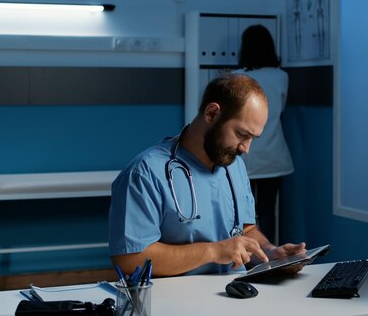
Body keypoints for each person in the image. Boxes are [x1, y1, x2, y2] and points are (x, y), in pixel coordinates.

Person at [109, 73, 306, 277]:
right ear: (212, 113)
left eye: (253, 138)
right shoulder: (145, 174)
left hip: (235, 295)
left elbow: (246, 231)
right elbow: (129, 259)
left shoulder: (233, 164)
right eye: (241, 134)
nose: (246, 149)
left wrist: (269, 253)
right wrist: (213, 251)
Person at [233, 24, 294, 244]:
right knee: (268, 211)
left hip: (244, 157)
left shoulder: (236, 78)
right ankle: (271, 258)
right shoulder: (281, 76)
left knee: (242, 214)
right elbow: (281, 109)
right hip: (274, 156)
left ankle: (248, 258)